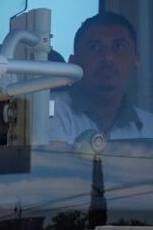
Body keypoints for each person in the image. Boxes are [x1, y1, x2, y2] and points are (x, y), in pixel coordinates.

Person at [50, 11, 153, 143]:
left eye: (119, 47)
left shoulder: (150, 128)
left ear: (136, 61)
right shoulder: (48, 112)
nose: (107, 57)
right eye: (94, 47)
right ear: (73, 62)